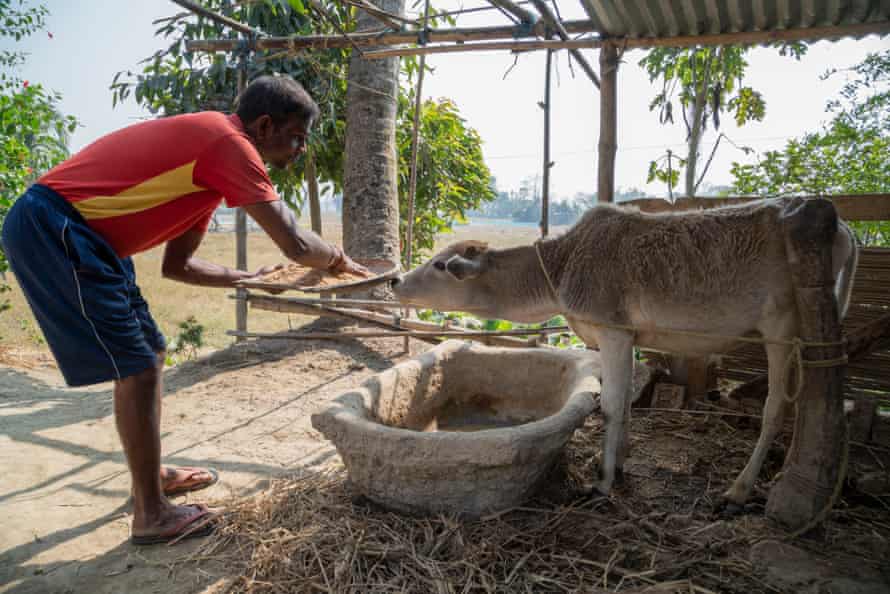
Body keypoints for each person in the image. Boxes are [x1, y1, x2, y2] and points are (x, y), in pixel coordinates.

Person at [1, 75, 367, 545]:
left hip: (90, 239)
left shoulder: (211, 175)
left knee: (149, 353)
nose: (299, 150)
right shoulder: (228, 142)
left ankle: (150, 478)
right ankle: (151, 515)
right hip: (57, 227)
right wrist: (336, 258)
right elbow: (296, 243)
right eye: (296, 137)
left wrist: (246, 279)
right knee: (136, 367)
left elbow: (180, 265)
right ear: (265, 125)